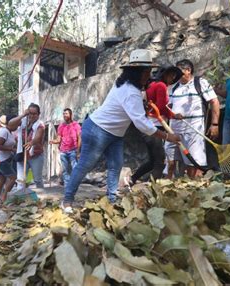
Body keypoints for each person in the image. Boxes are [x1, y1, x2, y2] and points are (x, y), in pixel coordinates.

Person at [61, 49, 181, 213]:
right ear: (135, 72)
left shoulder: (127, 85)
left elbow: (130, 109)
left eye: (149, 71)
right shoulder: (130, 90)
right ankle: (67, 200)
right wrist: (168, 136)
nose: (148, 75)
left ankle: (112, 198)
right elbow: (142, 124)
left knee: (115, 165)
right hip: (98, 130)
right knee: (85, 165)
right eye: (145, 72)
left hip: (115, 134)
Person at [127, 64, 183, 185]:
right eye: (171, 75)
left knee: (153, 160)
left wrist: (173, 115)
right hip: (155, 126)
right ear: (165, 75)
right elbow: (161, 107)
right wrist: (172, 115)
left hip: (148, 126)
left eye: (174, 76)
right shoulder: (161, 86)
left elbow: (156, 106)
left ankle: (133, 179)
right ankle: (152, 188)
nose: (172, 78)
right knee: (160, 161)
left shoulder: (151, 86)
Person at [166, 59, 220, 178]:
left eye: (178, 72)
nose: (175, 75)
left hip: (193, 131)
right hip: (173, 131)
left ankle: (195, 191)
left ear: (188, 70)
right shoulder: (173, 87)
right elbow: (167, 107)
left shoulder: (200, 83)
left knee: (194, 164)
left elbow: (214, 102)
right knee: (170, 162)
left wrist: (214, 124)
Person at [7, 103, 45, 190]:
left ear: (38, 114)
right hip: (22, 155)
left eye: (34, 114)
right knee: (20, 180)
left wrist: (31, 142)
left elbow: (38, 137)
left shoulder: (40, 125)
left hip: (35, 155)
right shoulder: (23, 122)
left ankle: (42, 196)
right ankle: (20, 198)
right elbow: (10, 124)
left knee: (37, 180)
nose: (32, 116)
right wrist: (23, 115)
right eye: (30, 113)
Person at [49, 108, 81, 186]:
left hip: (73, 150)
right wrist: (53, 141)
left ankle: (75, 185)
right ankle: (67, 187)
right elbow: (59, 139)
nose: (65, 115)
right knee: (65, 170)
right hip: (63, 151)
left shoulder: (76, 125)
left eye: (66, 113)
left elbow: (79, 137)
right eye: (64, 114)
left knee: (75, 168)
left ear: (70, 115)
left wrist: (78, 150)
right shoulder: (61, 126)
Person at [0, 115, 17, 209]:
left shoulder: (8, 132)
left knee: (1, 181)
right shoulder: (3, 131)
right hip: (1, 160)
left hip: (4, 159)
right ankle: (3, 198)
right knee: (13, 178)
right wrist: (11, 149)